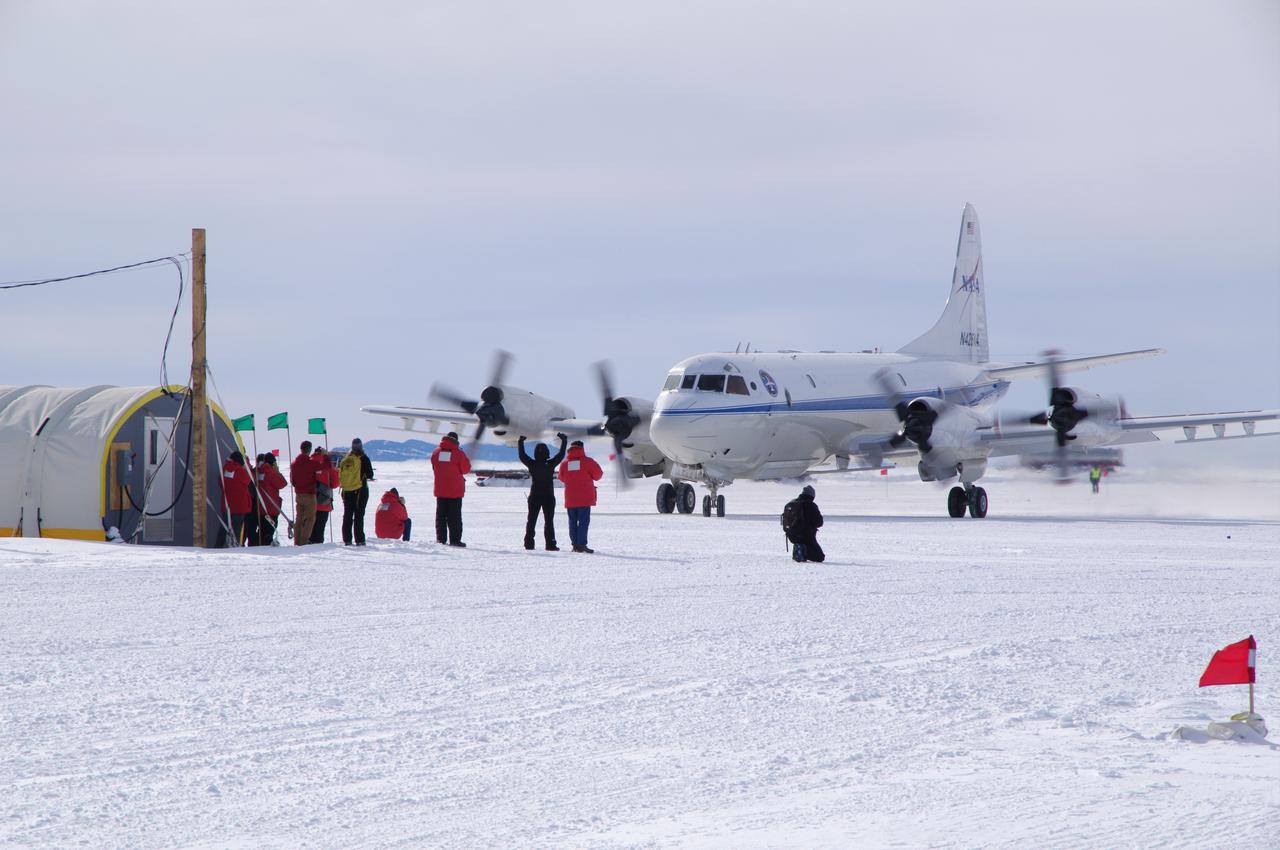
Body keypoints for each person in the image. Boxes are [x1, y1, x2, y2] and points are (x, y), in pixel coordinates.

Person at [518, 433, 567, 550]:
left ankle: (529, 544)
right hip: (548, 497)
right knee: (549, 521)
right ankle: (550, 544)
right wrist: (564, 441)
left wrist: (521, 442)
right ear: (547, 453)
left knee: (531, 520)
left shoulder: (532, 464)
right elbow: (561, 455)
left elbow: (522, 456)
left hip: (534, 496)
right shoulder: (550, 464)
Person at [558, 439, 603, 553]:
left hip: (570, 498)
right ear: (582, 448)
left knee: (572, 522)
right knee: (583, 522)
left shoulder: (565, 463)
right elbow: (598, 475)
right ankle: (582, 544)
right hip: (585, 498)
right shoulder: (588, 462)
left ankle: (575, 545)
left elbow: (561, 478)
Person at [431, 431, 471, 547]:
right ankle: (455, 540)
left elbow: (434, 466)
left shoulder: (436, 452)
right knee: (454, 518)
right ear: (456, 440)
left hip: (440, 489)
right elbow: (466, 469)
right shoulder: (458, 453)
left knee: (440, 516)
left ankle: (440, 540)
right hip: (455, 491)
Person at [339, 437, 376, 546]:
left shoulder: (346, 459)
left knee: (347, 515)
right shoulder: (364, 458)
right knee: (359, 515)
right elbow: (370, 474)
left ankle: (347, 539)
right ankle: (359, 540)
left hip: (346, 491)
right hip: (360, 491)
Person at [217, 450, 252, 547]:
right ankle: (234, 547)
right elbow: (249, 479)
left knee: (224, 528)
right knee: (236, 528)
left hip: (227, 504)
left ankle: (218, 546)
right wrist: (247, 467)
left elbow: (220, 483)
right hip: (239, 505)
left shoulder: (224, 469)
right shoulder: (240, 471)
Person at [782, 485, 825, 563]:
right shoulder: (810, 505)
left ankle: (799, 550)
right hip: (806, 536)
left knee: (802, 542)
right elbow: (819, 522)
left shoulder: (792, 503)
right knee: (819, 557)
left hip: (791, 535)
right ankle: (802, 552)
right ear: (812, 495)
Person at [255, 453, 288, 546]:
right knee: (270, 530)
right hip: (271, 508)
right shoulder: (270, 472)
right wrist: (277, 472)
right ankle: (266, 546)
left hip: (261, 507)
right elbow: (283, 483)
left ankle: (259, 545)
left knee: (262, 530)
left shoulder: (259, 471)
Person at [310, 447, 340, 544]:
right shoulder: (327, 466)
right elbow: (335, 483)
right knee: (319, 528)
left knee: (308, 528)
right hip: (323, 502)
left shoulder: (308, 463)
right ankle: (317, 545)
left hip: (308, 501)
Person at [290, 441, 316, 546]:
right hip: (309, 494)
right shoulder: (310, 462)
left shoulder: (294, 463)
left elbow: (293, 481)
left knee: (299, 518)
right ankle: (304, 541)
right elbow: (326, 466)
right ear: (309, 450)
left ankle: (297, 541)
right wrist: (325, 455)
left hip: (299, 494)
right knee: (310, 518)